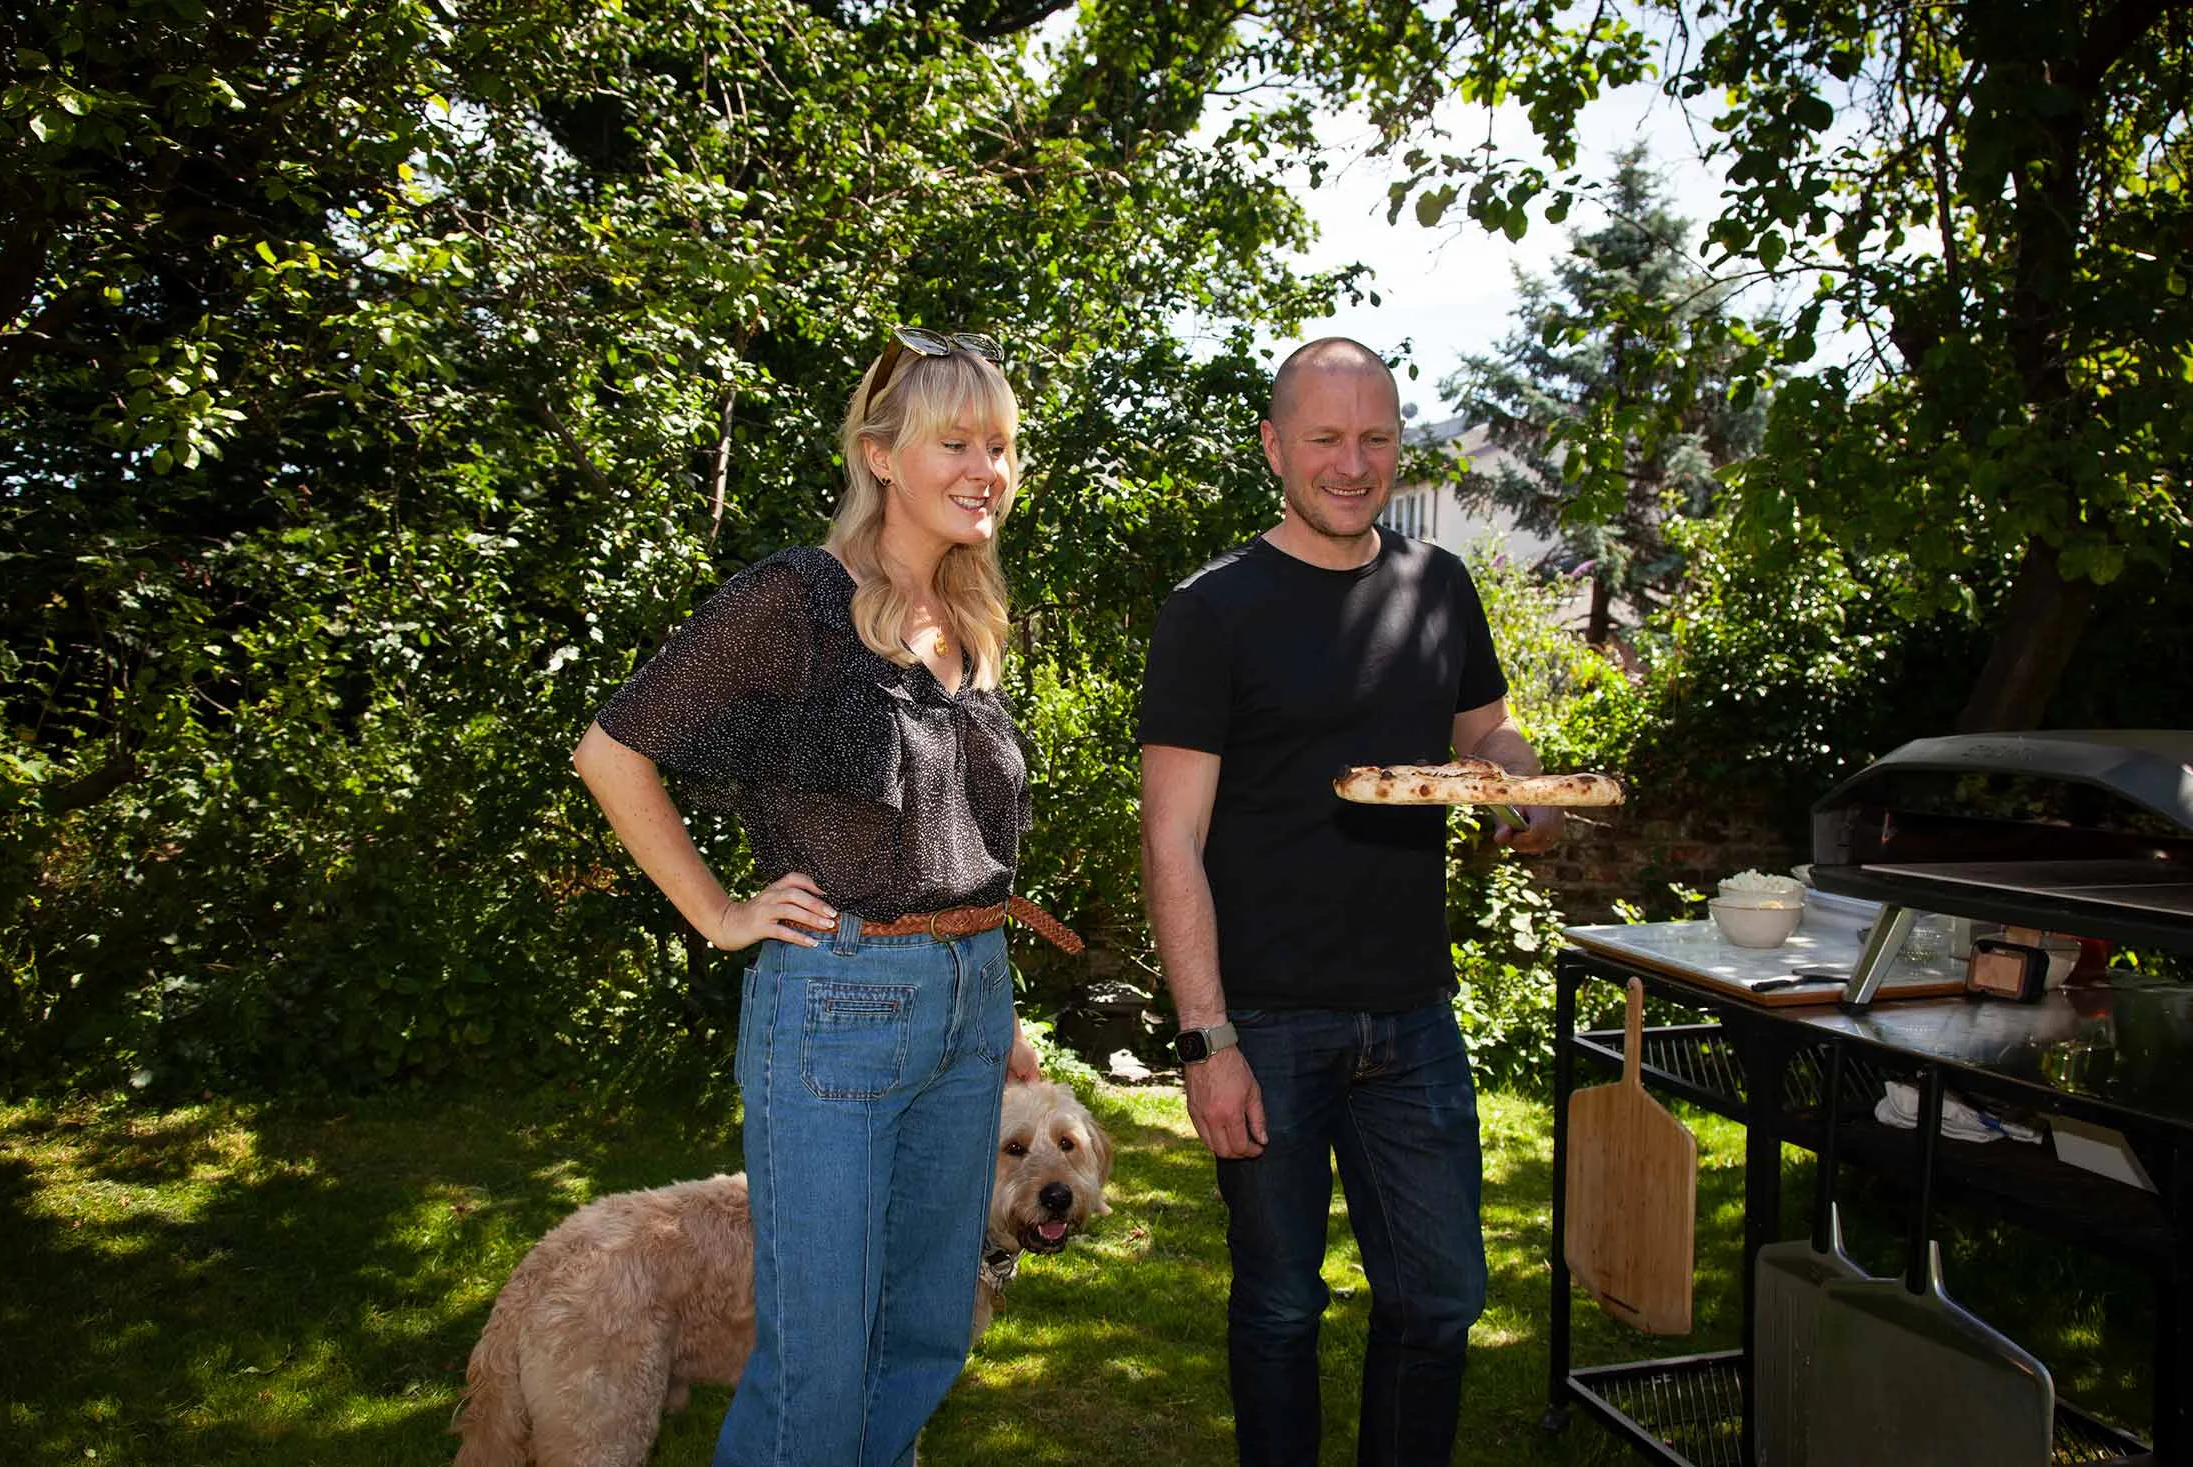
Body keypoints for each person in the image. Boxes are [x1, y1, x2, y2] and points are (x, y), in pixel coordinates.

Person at [573, 326, 1050, 1467]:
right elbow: (611, 750)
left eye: (1001, 445)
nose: (986, 469)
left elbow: (957, 837)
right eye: (956, 442)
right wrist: (719, 911)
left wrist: (988, 996)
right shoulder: (794, 598)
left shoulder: (969, 624)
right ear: (882, 455)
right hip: (841, 1006)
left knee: (931, 1332)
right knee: (818, 1361)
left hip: (969, 1003)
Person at [1137, 337, 1565, 1467]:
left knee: (1439, 1302)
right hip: (1266, 1022)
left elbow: (1481, 731)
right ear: (1276, 446)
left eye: (1375, 438)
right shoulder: (1212, 611)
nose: (1351, 462)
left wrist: (1521, 786)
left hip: (1412, 1014)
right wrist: (1204, 1038)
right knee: (1279, 1310)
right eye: (1325, 437)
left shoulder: (1438, 586)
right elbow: (1170, 837)